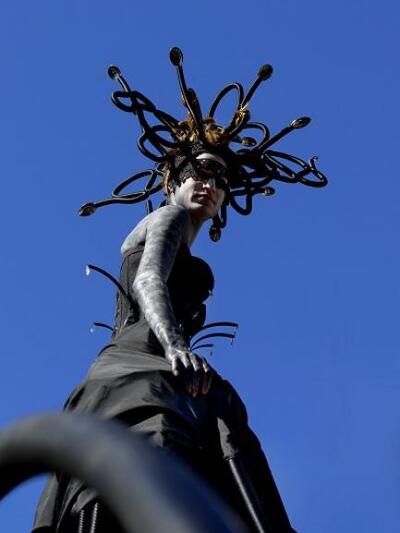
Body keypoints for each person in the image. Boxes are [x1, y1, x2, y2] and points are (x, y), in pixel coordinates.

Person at [33, 48, 326, 532]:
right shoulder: (167, 218)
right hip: (141, 367)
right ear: (173, 181)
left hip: (149, 368)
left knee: (216, 422)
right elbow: (148, 278)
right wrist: (175, 346)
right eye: (198, 171)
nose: (208, 183)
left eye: (219, 178)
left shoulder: (182, 240)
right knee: (180, 442)